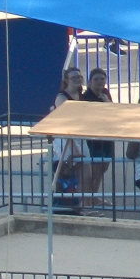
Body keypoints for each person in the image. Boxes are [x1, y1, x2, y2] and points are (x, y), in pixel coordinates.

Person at [77, 67, 114, 208]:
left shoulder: (105, 94)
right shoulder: (87, 97)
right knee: (95, 169)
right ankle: (88, 199)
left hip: (106, 139)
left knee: (103, 168)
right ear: (90, 82)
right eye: (96, 79)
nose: (100, 82)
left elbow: (113, 112)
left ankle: (94, 195)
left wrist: (107, 103)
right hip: (94, 141)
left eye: (102, 79)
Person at [51, 68, 85, 213]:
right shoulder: (61, 98)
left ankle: (80, 204)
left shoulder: (81, 95)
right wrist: (73, 146)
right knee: (66, 170)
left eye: (79, 77)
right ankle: (63, 205)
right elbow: (64, 123)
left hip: (79, 136)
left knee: (84, 171)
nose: (77, 79)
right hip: (66, 137)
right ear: (66, 80)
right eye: (73, 77)